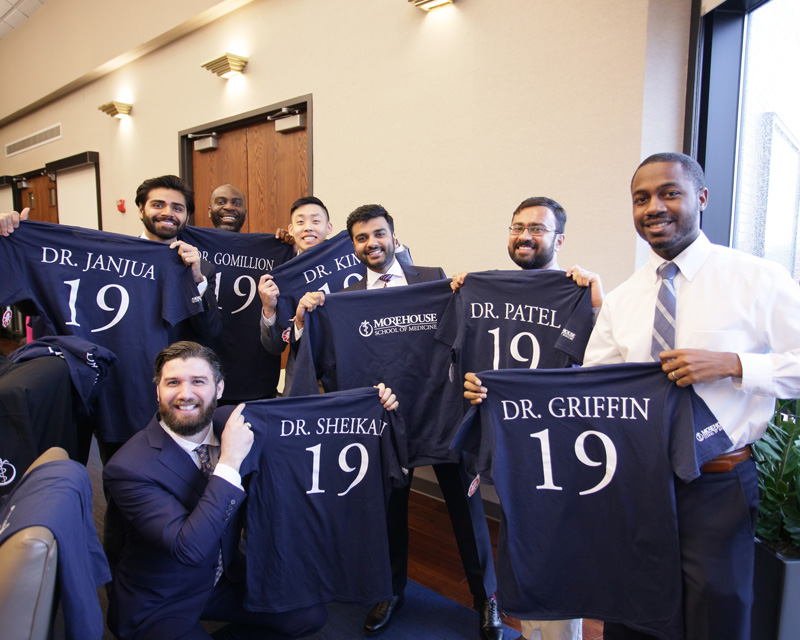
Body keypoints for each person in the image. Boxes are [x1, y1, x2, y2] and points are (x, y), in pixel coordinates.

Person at [299, 204, 503, 640]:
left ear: (394, 236)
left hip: (441, 412)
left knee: (466, 511)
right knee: (389, 512)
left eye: (379, 234)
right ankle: (390, 591)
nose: (372, 243)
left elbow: (471, 329)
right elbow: (324, 356)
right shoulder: (346, 298)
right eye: (361, 238)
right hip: (385, 420)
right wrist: (311, 312)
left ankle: (488, 600)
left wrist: (468, 289)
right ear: (352, 245)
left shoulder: (435, 280)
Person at [102, 341, 329, 640]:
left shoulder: (232, 423)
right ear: (158, 390)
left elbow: (304, 426)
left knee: (309, 615)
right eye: (173, 383)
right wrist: (230, 461)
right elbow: (189, 548)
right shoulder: (128, 468)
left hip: (221, 578)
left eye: (198, 382)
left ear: (219, 389)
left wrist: (374, 409)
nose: (185, 394)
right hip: (160, 600)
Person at [458, 197, 602, 640]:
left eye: (537, 229)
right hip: (506, 440)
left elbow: (602, 366)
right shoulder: (480, 289)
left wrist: (595, 301)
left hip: (557, 444)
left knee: (553, 550)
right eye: (517, 227)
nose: (524, 236)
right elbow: (462, 358)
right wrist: (471, 383)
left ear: (558, 239)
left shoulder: (580, 290)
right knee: (519, 545)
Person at [135, 175, 222, 345]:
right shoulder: (121, 260)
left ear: (187, 216)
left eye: (177, 208)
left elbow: (210, 332)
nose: (168, 213)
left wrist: (196, 280)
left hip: (176, 367)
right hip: (130, 365)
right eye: (158, 205)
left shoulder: (203, 269)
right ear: (141, 210)